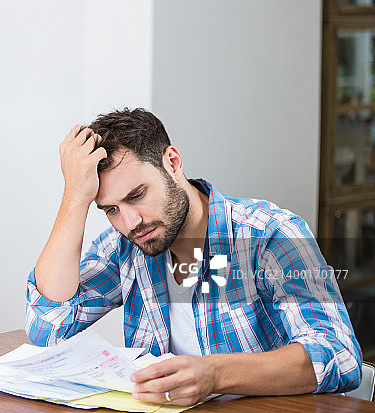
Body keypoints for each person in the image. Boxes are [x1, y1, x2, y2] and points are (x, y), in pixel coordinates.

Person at [26, 108, 362, 406]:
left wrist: (214, 374)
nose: (131, 222)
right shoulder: (125, 246)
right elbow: (47, 327)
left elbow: (339, 354)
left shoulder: (269, 235)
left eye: (138, 195)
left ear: (172, 162)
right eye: (111, 209)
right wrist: (74, 198)